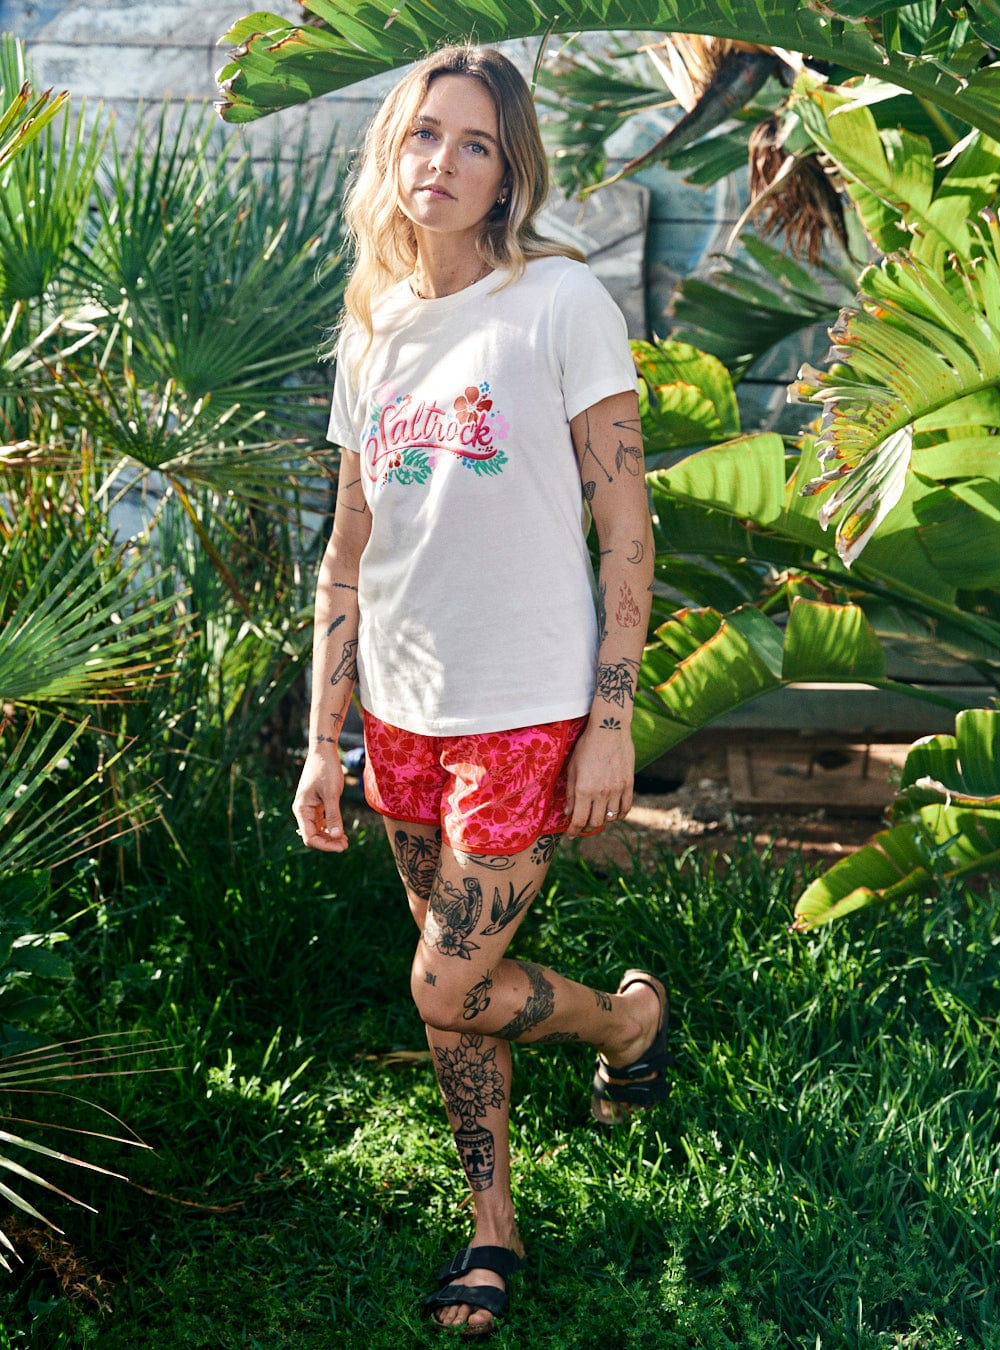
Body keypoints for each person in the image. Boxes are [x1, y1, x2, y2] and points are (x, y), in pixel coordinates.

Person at [292, 43, 672, 1340]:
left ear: (511, 172)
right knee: (450, 978)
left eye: (473, 143)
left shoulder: (557, 302)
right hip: (400, 707)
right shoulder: (374, 325)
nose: (440, 164)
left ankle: (627, 1023)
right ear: (389, 154)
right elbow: (348, 556)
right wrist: (320, 737)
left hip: (523, 706)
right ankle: (491, 1225)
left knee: (444, 983)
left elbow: (628, 524)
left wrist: (610, 714)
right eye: (420, 136)